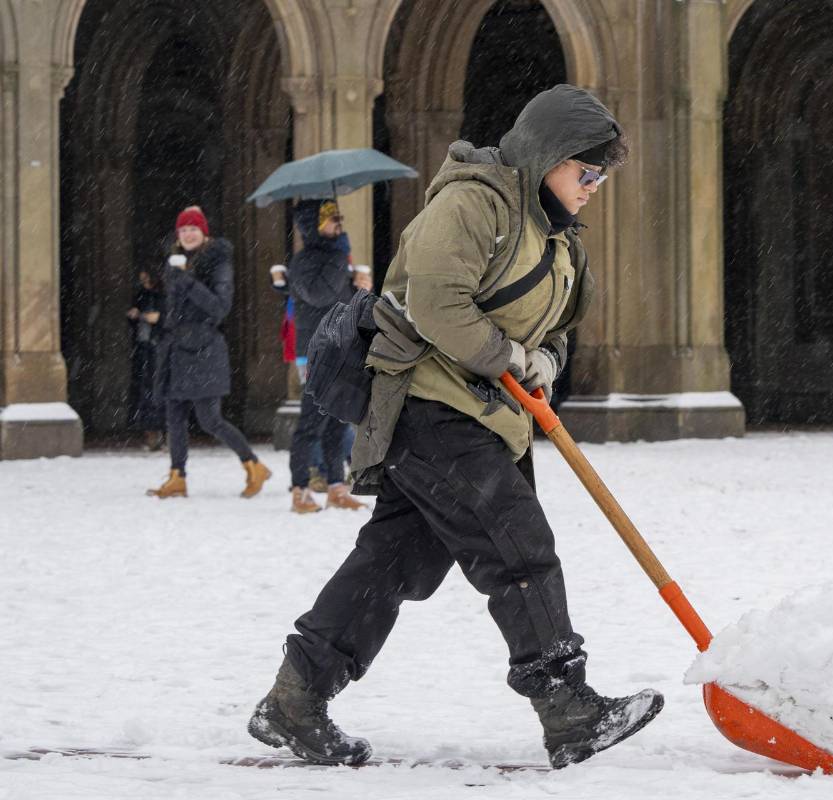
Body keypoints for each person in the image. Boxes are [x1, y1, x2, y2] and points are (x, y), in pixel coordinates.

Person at [248, 85, 663, 769]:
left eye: (601, 177)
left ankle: (296, 698)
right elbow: (438, 303)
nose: (594, 188)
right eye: (586, 173)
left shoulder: (557, 235)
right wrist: (509, 357)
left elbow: (557, 326)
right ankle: (567, 707)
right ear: (547, 157)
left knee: (394, 562)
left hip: (487, 416)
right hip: (430, 407)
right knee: (517, 544)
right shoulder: (473, 204)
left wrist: (545, 361)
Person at [147, 206, 272, 499]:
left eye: (193, 229)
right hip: (176, 349)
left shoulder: (218, 261)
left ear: (204, 233)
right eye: (183, 230)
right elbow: (176, 309)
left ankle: (254, 465)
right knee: (175, 417)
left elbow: (219, 307)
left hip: (204, 350)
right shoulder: (176, 264)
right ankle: (177, 476)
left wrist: (186, 281)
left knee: (210, 420)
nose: (188, 234)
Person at [285, 199, 371, 514]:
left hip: (340, 349)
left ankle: (336, 487)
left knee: (336, 422)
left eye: (339, 217)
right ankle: (300, 490)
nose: (339, 223)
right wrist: (341, 263)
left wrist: (359, 287)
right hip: (316, 352)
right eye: (332, 218)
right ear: (314, 225)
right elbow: (319, 295)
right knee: (311, 423)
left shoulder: (336, 259)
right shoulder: (303, 261)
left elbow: (343, 304)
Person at [126, 269, 165, 450]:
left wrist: (158, 318)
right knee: (145, 389)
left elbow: (168, 319)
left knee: (157, 390)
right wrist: (135, 316)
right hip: (143, 346)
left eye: (146, 279)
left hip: (158, 346)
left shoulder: (164, 296)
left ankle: (161, 432)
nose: (144, 283)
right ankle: (150, 431)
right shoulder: (141, 296)